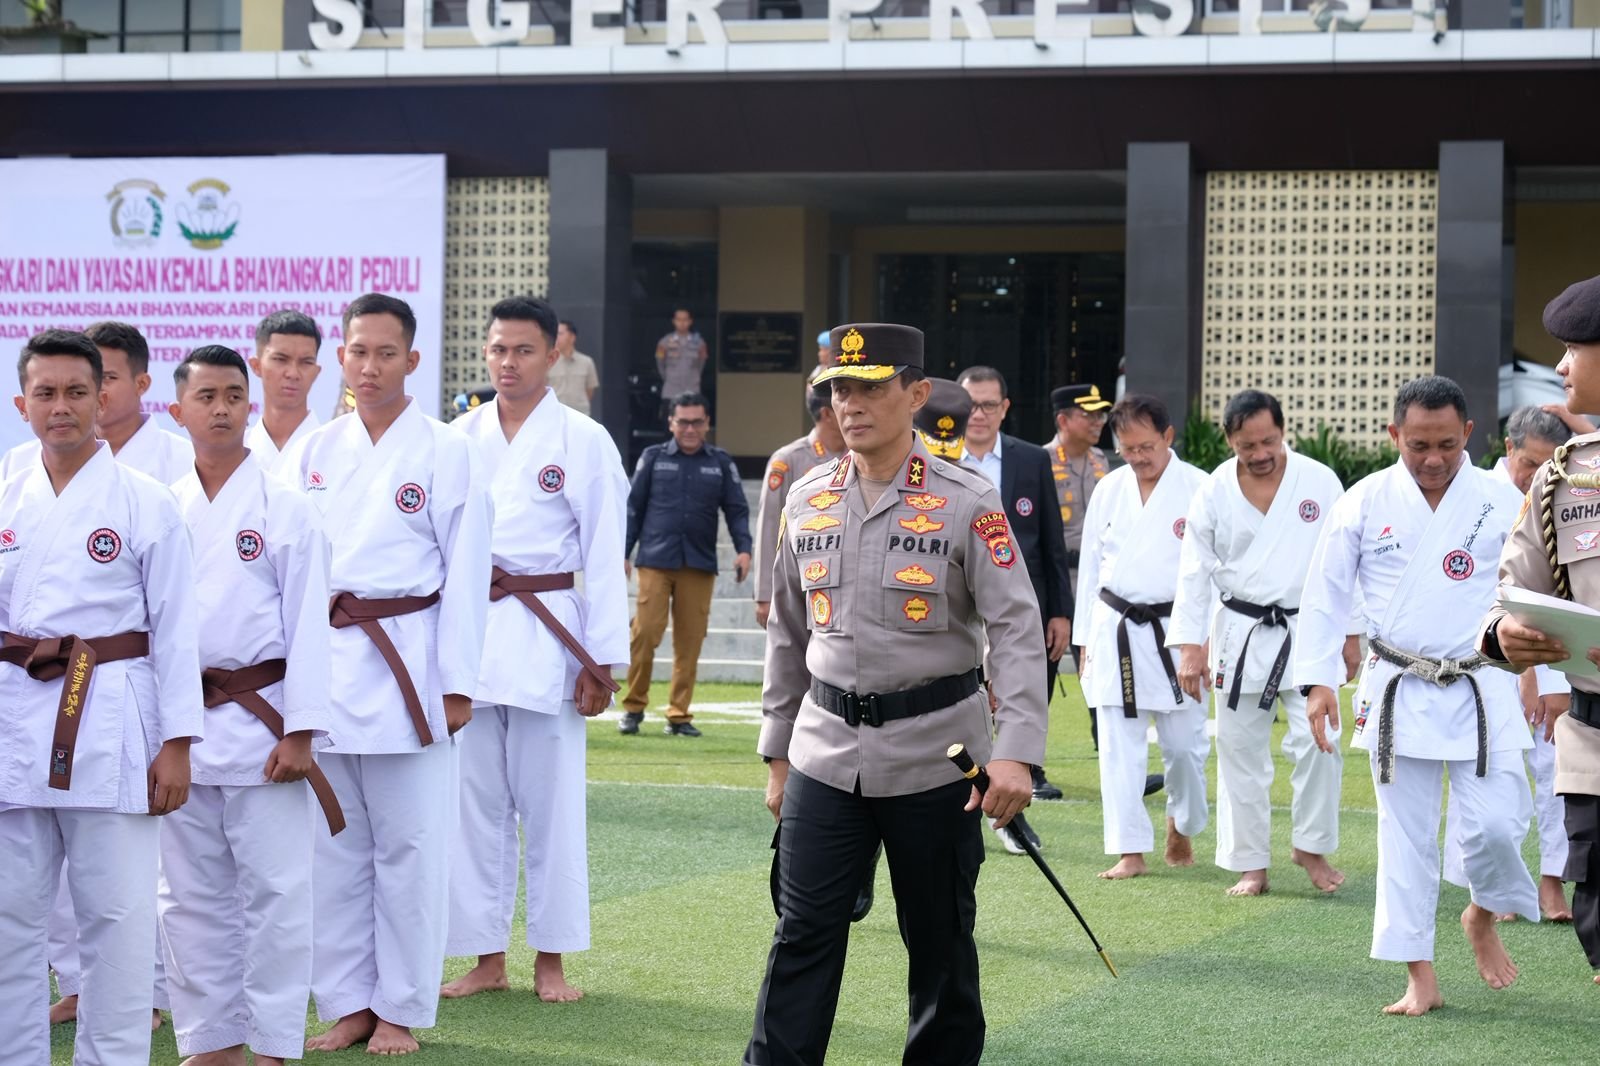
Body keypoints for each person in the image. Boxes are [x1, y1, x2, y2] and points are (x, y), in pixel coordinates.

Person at [747, 323, 1047, 1066]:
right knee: (801, 935)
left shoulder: (967, 499)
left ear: (915, 395)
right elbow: (787, 632)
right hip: (823, 754)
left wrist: (1016, 752)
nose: (849, 404)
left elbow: (1015, 627)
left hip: (937, 758)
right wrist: (777, 754)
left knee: (940, 944)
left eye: (869, 388)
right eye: (838, 390)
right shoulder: (806, 497)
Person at [1297, 375, 1538, 1016]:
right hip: (1399, 686)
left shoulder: (1501, 499)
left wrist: (1545, 676)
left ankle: (1481, 912)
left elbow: (1536, 590)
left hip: (1482, 682)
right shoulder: (1364, 501)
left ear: (1469, 434)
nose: (1433, 459)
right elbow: (1324, 594)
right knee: (1404, 838)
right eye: (1418, 445)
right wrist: (1320, 680)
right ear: (1394, 435)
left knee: (1499, 825)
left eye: (1447, 445)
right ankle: (1419, 974)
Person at [294, 293, 492, 1055]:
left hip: (409, 664)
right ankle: (348, 1002)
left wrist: (457, 682)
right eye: (357, 352)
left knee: (410, 852)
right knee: (334, 850)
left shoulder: (446, 450)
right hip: (326, 666)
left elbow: (468, 572)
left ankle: (401, 1008)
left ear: (412, 359)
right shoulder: (316, 450)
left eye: (385, 353)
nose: (369, 366)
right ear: (340, 357)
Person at [0, 329, 202, 1065]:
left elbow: (177, 631)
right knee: (9, 918)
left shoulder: (146, 502)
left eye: (77, 392)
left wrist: (177, 744)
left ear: (103, 397)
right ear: (22, 403)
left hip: (113, 722)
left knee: (117, 919)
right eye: (46, 393)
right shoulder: (5, 490)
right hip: (14, 722)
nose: (61, 406)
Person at [444, 296, 629, 1005]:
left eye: (524, 350)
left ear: (553, 354)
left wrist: (599, 660)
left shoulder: (584, 440)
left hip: (549, 634)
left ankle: (551, 959)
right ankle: (486, 957)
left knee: (550, 809)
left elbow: (604, 554)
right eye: (498, 349)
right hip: (472, 636)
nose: (509, 362)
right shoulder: (458, 437)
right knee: (474, 809)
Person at [159, 344, 334, 1066]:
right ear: (177, 410)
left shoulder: (287, 508)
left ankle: (272, 1044)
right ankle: (210, 1041)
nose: (222, 409)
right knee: (187, 897)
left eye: (234, 395)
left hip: (265, 723)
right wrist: (158, 730)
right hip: (183, 726)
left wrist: (302, 731)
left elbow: (310, 626)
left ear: (249, 403)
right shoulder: (161, 507)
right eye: (206, 397)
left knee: (277, 894)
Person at [1167, 389, 1355, 897]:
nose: (1260, 453)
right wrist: (1190, 645)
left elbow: (1345, 561)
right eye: (1247, 445)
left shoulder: (1319, 481)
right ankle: (1250, 862)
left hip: (1306, 628)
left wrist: (1351, 632)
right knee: (1239, 751)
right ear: (1229, 440)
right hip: (1241, 630)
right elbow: (1193, 570)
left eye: (1268, 441)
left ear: (1283, 431)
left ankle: (1311, 846)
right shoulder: (1213, 490)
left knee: (1321, 742)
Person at [1479, 273, 1600, 988]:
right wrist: (1504, 636)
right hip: (1593, 745)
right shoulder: (1560, 477)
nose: (1559, 366)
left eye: (1574, 348)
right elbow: (1510, 594)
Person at [1444, 405, 1573, 923]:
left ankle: (1551, 882)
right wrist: (1523, 673)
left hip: (1550, 646)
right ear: (1508, 449)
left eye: (1547, 465)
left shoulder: (1562, 494)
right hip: (1479, 657)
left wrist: (1549, 678)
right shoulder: (1471, 496)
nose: (1535, 475)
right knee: (1483, 770)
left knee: (1556, 764)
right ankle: (1486, 888)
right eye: (1528, 464)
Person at [1075, 393, 1209, 880]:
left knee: (1185, 747)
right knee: (1118, 746)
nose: (1137, 458)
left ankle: (1182, 823)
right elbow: (1091, 568)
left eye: (1146, 447)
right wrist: (1085, 641)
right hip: (1115, 629)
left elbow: (1215, 573)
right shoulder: (1109, 489)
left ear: (1168, 437)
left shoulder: (1201, 488)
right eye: (1127, 449)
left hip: (1178, 632)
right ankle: (1129, 850)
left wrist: (1205, 643)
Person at [958, 367, 1072, 809]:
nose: (979, 414)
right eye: (971, 405)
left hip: (1026, 597)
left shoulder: (1032, 459)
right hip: (964, 599)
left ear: (1004, 408)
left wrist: (1060, 611)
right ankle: (973, 766)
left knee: (1029, 677)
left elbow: (1051, 540)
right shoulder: (939, 459)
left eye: (989, 405)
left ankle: (1027, 763)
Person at [621, 392, 751, 737]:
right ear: (671, 423)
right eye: (683, 422)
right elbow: (633, 507)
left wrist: (744, 549)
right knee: (645, 632)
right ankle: (633, 707)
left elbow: (737, 509)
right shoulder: (653, 458)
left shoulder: (720, 462)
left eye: (696, 422)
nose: (689, 429)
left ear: (707, 423)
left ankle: (678, 715)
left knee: (689, 642)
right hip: (655, 560)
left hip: (699, 563)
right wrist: (623, 552)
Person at [1, 320, 192, 485]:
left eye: (107, 377)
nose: (97, 387)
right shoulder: (18, 463)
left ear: (141, 384)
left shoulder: (186, 460)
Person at [1048, 384, 1113, 749]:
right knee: (1044, 671)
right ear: (1063, 420)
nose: (1098, 422)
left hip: (1096, 581)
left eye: (1100, 414)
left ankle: (1107, 748)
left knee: (1099, 666)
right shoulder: (1041, 461)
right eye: (1088, 415)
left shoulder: (1101, 460)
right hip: (1058, 579)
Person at [755, 387, 845, 630]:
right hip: (799, 580)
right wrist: (764, 593)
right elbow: (769, 526)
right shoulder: (788, 459)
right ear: (827, 413)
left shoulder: (859, 457)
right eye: (843, 400)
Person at [245, 309, 324, 475]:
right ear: (256, 366)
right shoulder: (235, 453)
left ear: (316, 372)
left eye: (306, 362)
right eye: (280, 359)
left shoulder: (337, 449)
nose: (293, 373)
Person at [655, 309, 708, 421]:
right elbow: (660, 364)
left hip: (692, 389)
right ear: (674, 321)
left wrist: (693, 377)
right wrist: (668, 378)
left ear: (690, 321)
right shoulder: (664, 342)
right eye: (679, 320)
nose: (682, 323)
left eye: (685, 320)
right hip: (671, 390)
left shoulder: (700, 343)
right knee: (669, 423)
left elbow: (701, 364)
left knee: (692, 423)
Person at [550, 319, 600, 417]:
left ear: (572, 337)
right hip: (556, 415)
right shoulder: (550, 362)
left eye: (560, 334)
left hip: (581, 415)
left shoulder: (586, 362)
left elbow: (590, 391)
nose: (556, 337)